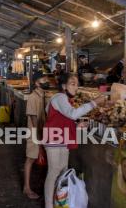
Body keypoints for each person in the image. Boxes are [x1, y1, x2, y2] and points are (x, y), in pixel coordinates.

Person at [43, 74, 106, 208]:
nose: (76, 87)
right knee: (54, 171)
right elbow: (72, 114)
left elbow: (64, 118)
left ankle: (60, 201)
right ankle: (49, 205)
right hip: (53, 139)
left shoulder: (65, 99)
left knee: (63, 171)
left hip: (62, 138)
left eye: (77, 84)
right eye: (72, 83)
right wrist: (94, 102)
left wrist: (76, 126)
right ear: (63, 86)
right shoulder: (59, 97)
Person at [23, 71, 49, 199]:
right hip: (34, 132)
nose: (46, 82)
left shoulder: (43, 95)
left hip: (41, 131)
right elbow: (33, 120)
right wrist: (39, 138)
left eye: (46, 79)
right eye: (43, 80)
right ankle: (26, 188)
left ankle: (40, 185)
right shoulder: (33, 97)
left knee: (40, 160)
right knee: (30, 159)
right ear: (36, 83)